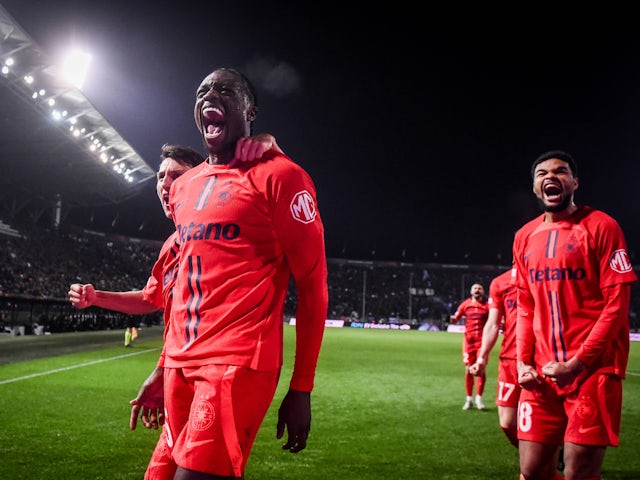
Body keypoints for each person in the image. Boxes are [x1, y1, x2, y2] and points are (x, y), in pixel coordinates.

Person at [146, 66, 328, 480]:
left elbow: (313, 285)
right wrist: (162, 367)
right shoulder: (185, 187)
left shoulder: (283, 177)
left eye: (225, 90)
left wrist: (302, 386)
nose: (211, 95)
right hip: (179, 365)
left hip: (236, 364)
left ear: (251, 109)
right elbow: (185, 287)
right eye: (203, 90)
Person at [513, 150, 637, 480]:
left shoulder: (602, 226)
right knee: (532, 470)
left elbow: (616, 305)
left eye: (560, 171)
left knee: (579, 471)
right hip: (542, 373)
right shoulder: (524, 236)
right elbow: (525, 305)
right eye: (542, 173)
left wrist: (577, 364)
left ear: (574, 182)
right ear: (535, 186)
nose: (550, 177)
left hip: (592, 371)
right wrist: (522, 362)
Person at [468, 269, 519, 446]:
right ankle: (543, 456)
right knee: (507, 422)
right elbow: (493, 323)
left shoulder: (543, 274)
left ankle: (546, 458)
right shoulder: (500, 282)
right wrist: (482, 357)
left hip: (541, 357)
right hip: (510, 358)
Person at [450, 282, 489, 410]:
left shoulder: (488, 305)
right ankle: (468, 399)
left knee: (480, 369)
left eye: (479, 288)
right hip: (469, 342)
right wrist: (453, 319)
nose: (477, 290)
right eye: (475, 288)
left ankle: (479, 399)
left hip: (482, 342)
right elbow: (456, 317)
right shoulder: (465, 304)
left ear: (483, 291)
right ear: (471, 291)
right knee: (468, 370)